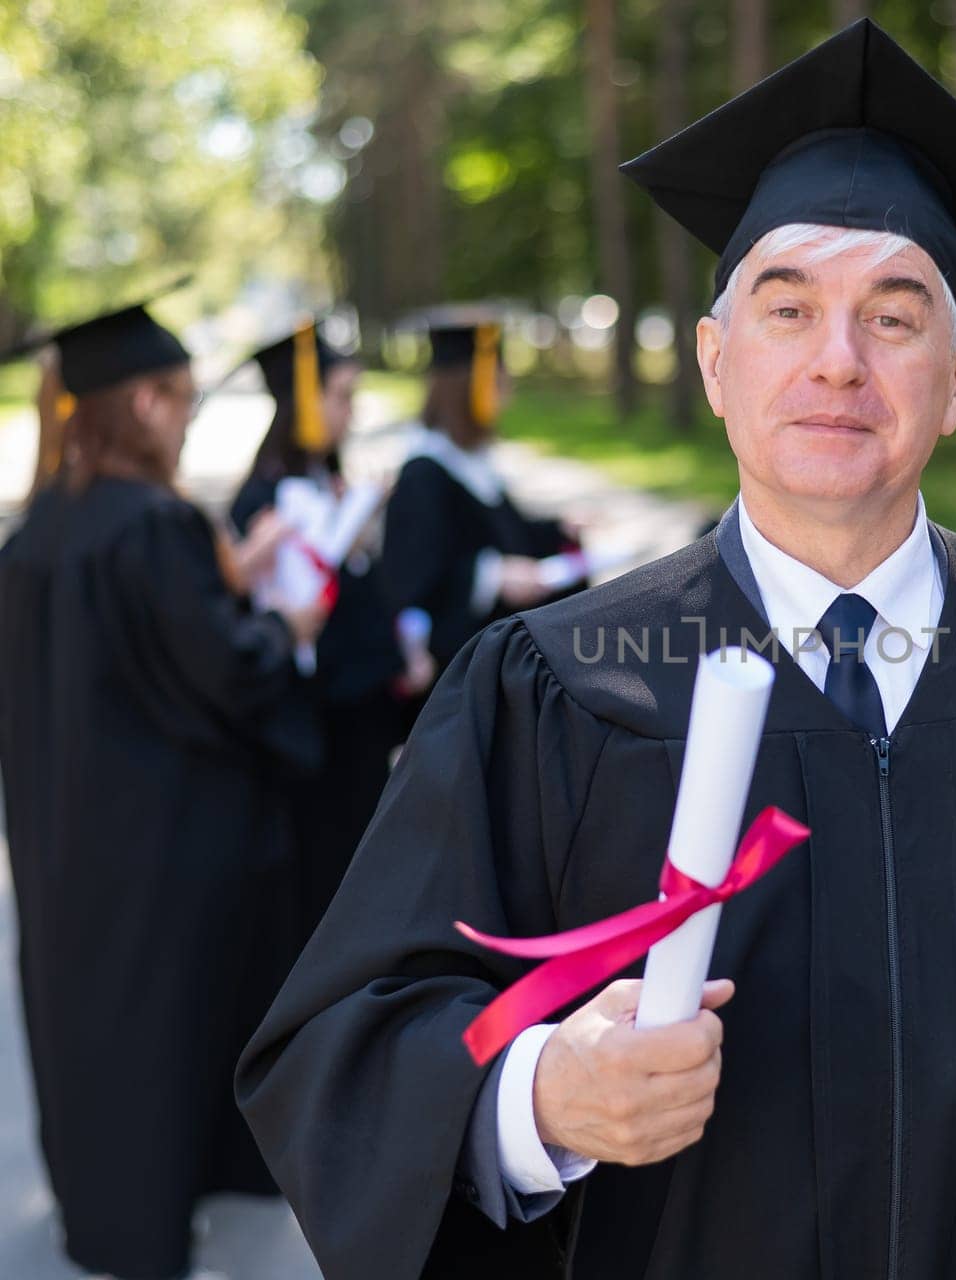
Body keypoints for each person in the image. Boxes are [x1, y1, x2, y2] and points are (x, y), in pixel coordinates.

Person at [238, 21, 956, 1280]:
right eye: (787, 307)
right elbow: (347, 1038)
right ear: (715, 361)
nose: (837, 361)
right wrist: (537, 1100)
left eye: (893, 318)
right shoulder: (557, 681)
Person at [0, 291, 327, 1278]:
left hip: (63, 842)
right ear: (140, 404)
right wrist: (286, 628)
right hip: (166, 845)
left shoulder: (34, 534)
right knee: (169, 1028)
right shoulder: (151, 525)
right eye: (179, 397)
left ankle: (113, 1218)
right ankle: (187, 1198)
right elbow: (225, 672)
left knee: (90, 1027)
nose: (187, 416)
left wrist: (227, 572)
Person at [228, 321, 434, 944]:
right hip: (318, 735)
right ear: (303, 401)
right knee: (326, 891)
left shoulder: (329, 480)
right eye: (341, 395)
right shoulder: (263, 502)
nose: (352, 410)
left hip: (359, 719)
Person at [382, 312, 585, 676]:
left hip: (501, 642)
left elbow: (503, 531)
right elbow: (417, 582)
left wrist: (558, 528)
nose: (506, 395)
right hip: (463, 666)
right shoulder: (423, 474)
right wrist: (491, 577)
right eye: (498, 383)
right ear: (467, 388)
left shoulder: (473, 459)